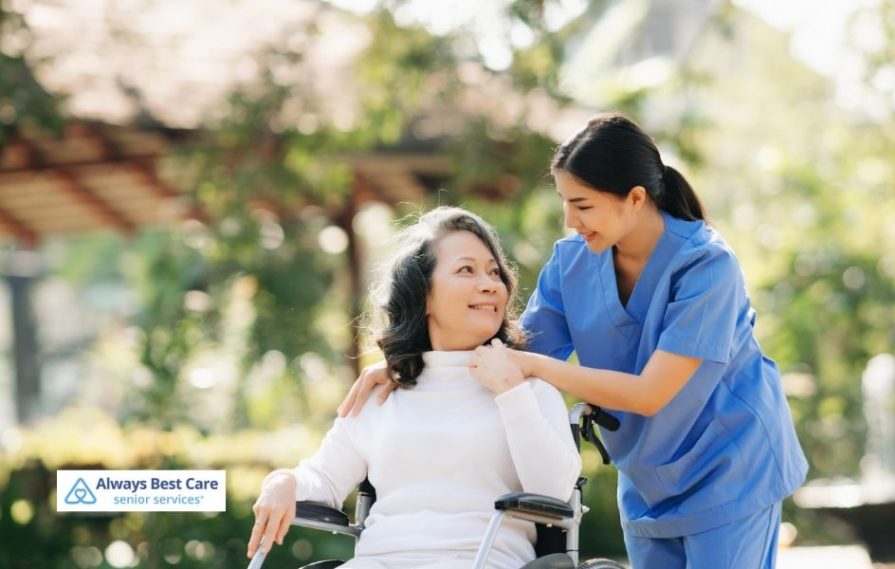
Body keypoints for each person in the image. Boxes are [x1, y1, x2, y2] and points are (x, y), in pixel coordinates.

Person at [340, 113, 808, 568]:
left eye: (582, 205)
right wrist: (411, 367)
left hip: (731, 467)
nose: (569, 220)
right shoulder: (572, 264)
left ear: (636, 198)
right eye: (564, 202)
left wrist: (536, 369)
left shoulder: (707, 267)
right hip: (648, 475)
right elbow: (512, 356)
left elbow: (649, 393)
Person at [249, 207, 581, 569]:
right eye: (466, 270)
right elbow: (325, 478)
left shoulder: (529, 390)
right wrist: (282, 481)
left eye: (494, 272)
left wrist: (510, 391)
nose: (489, 284)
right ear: (422, 295)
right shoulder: (381, 392)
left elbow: (554, 494)